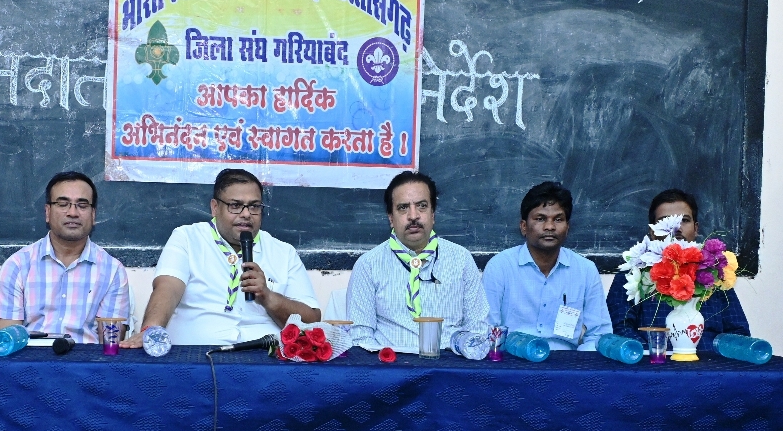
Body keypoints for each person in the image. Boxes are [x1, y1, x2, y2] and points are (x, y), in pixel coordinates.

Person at [121, 168, 320, 347]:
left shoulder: (284, 252)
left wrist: (269, 298)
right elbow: (168, 289)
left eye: (254, 206)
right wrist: (151, 330)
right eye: (235, 205)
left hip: (263, 360)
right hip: (197, 356)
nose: (246, 214)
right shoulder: (187, 238)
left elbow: (312, 320)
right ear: (215, 207)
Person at [347, 171, 489, 352]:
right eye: (403, 207)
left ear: (433, 214)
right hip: (390, 364)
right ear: (391, 218)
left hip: (448, 363)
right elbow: (360, 338)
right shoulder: (368, 265)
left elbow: (477, 330)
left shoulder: (461, 259)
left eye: (422, 206)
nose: (413, 216)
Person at [0, 172, 130, 343]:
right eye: (63, 204)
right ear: (47, 212)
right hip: (31, 357)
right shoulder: (17, 265)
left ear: (93, 215)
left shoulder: (112, 271)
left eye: (82, 205)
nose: (73, 213)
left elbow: (110, 344)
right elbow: (6, 340)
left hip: (86, 358)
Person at [606, 188, 750, 351]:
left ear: (696, 228)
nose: (675, 228)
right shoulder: (633, 274)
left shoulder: (715, 271)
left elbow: (739, 333)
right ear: (652, 232)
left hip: (710, 362)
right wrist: (655, 354)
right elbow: (620, 330)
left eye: (684, 220)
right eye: (665, 221)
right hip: (653, 362)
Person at [483, 181, 612, 351]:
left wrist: (580, 362)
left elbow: (598, 335)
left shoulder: (585, 270)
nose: (550, 226)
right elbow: (487, 331)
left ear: (567, 228)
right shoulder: (500, 267)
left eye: (558, 219)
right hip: (514, 359)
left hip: (567, 362)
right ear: (524, 227)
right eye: (540, 219)